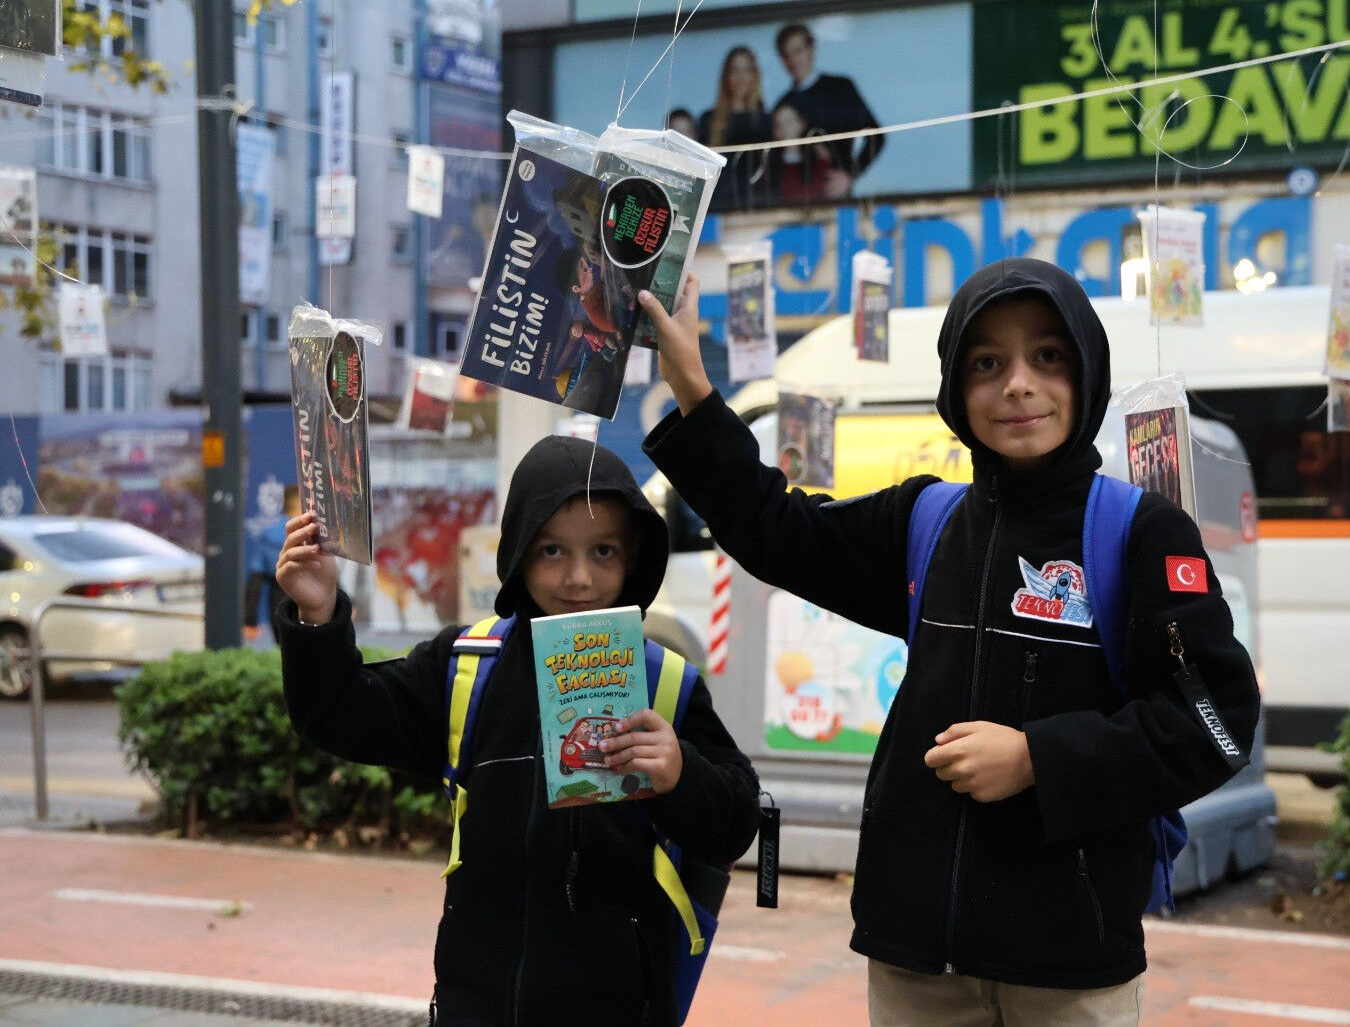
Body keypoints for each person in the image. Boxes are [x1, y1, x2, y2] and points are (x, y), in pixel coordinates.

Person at [639, 262, 1260, 1026]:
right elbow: (779, 531)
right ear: (955, 389)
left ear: (1088, 371)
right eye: (987, 363)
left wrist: (1040, 759)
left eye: (1049, 356)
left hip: (1069, 963)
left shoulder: (1140, 533)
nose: (1019, 385)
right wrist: (695, 390)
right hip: (916, 956)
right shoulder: (923, 523)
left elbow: (1215, 719)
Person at [274, 435, 761, 1025]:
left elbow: (735, 822)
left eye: (603, 551)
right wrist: (318, 614)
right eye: (552, 550)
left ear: (634, 556)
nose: (579, 578)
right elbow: (336, 712)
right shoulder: (466, 665)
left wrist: (682, 774)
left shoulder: (666, 682)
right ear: (519, 551)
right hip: (477, 1006)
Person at [775, 23, 884, 198]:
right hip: (796, 200)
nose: (793, 60)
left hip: (835, 199)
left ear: (812, 49)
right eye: (786, 55)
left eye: (798, 51)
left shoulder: (840, 88)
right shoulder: (783, 105)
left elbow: (876, 136)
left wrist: (849, 174)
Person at [699, 46, 770, 210]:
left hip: (758, 208)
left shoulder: (765, 121)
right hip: (716, 208)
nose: (741, 77)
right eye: (734, 70)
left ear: (755, 75)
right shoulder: (709, 120)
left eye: (746, 70)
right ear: (726, 76)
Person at [243, 487, 299, 644]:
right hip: (312, 611)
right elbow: (328, 574)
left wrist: (250, 620)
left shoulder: (268, 535)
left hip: (280, 610)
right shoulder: (313, 534)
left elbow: (255, 580)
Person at [767, 99, 842, 203]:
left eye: (788, 122)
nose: (783, 129)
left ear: (802, 123)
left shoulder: (819, 158)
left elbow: (828, 193)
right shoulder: (767, 165)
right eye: (778, 124)